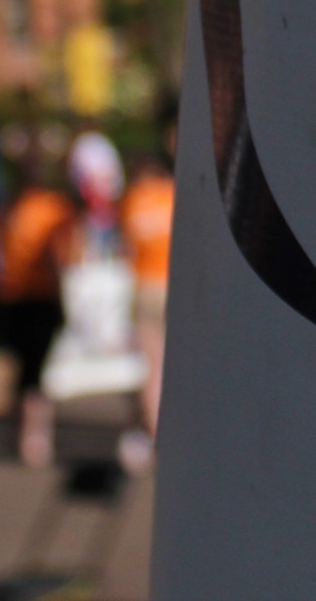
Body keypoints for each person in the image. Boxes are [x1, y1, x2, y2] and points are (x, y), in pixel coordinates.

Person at [0, 154, 76, 466]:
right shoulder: (53, 209)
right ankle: (35, 437)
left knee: (26, 368)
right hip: (37, 297)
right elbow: (61, 257)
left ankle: (26, 434)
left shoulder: (11, 209)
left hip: (16, 297)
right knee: (38, 371)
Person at [123, 119, 176, 439]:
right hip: (173, 285)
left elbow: (126, 246)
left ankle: (154, 429)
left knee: (152, 363)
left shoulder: (135, 198)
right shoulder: (176, 195)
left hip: (144, 286)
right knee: (177, 360)